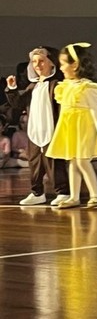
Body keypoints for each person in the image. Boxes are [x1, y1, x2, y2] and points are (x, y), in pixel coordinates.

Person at [46, 42, 97, 208]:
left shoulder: (87, 87)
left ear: (74, 65)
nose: (61, 68)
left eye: (63, 64)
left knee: (82, 161)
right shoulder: (65, 86)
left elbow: (96, 110)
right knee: (73, 161)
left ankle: (95, 194)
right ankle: (74, 197)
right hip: (70, 128)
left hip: (84, 128)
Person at [5, 46, 68, 205]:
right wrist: (12, 89)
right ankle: (37, 192)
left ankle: (63, 192)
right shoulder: (33, 86)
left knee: (54, 162)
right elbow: (18, 104)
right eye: (34, 62)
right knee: (35, 163)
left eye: (41, 61)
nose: (37, 65)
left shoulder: (56, 85)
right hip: (35, 131)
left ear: (51, 63)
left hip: (52, 130)